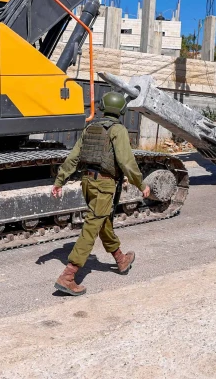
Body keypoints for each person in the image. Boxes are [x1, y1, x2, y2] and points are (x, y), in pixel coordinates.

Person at [51, 92, 151, 296]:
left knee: (102, 222)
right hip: (105, 185)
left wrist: (60, 180)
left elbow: (74, 157)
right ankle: (68, 276)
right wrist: (140, 184)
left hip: (87, 182)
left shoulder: (90, 128)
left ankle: (121, 259)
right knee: (91, 228)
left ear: (104, 107)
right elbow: (126, 161)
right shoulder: (118, 130)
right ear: (122, 110)